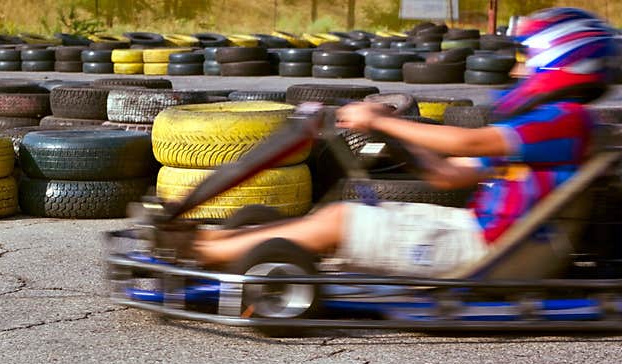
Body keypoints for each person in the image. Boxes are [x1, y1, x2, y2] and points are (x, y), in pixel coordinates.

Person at [194, 7, 618, 276]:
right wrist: (396, 143)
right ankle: (225, 242)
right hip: (480, 237)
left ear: (559, 57)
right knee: (347, 211)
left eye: (526, 60)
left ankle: (205, 251)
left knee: (339, 222)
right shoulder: (548, 129)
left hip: (490, 253)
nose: (515, 72)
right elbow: (450, 174)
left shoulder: (565, 121)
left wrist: (383, 119)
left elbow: (466, 144)